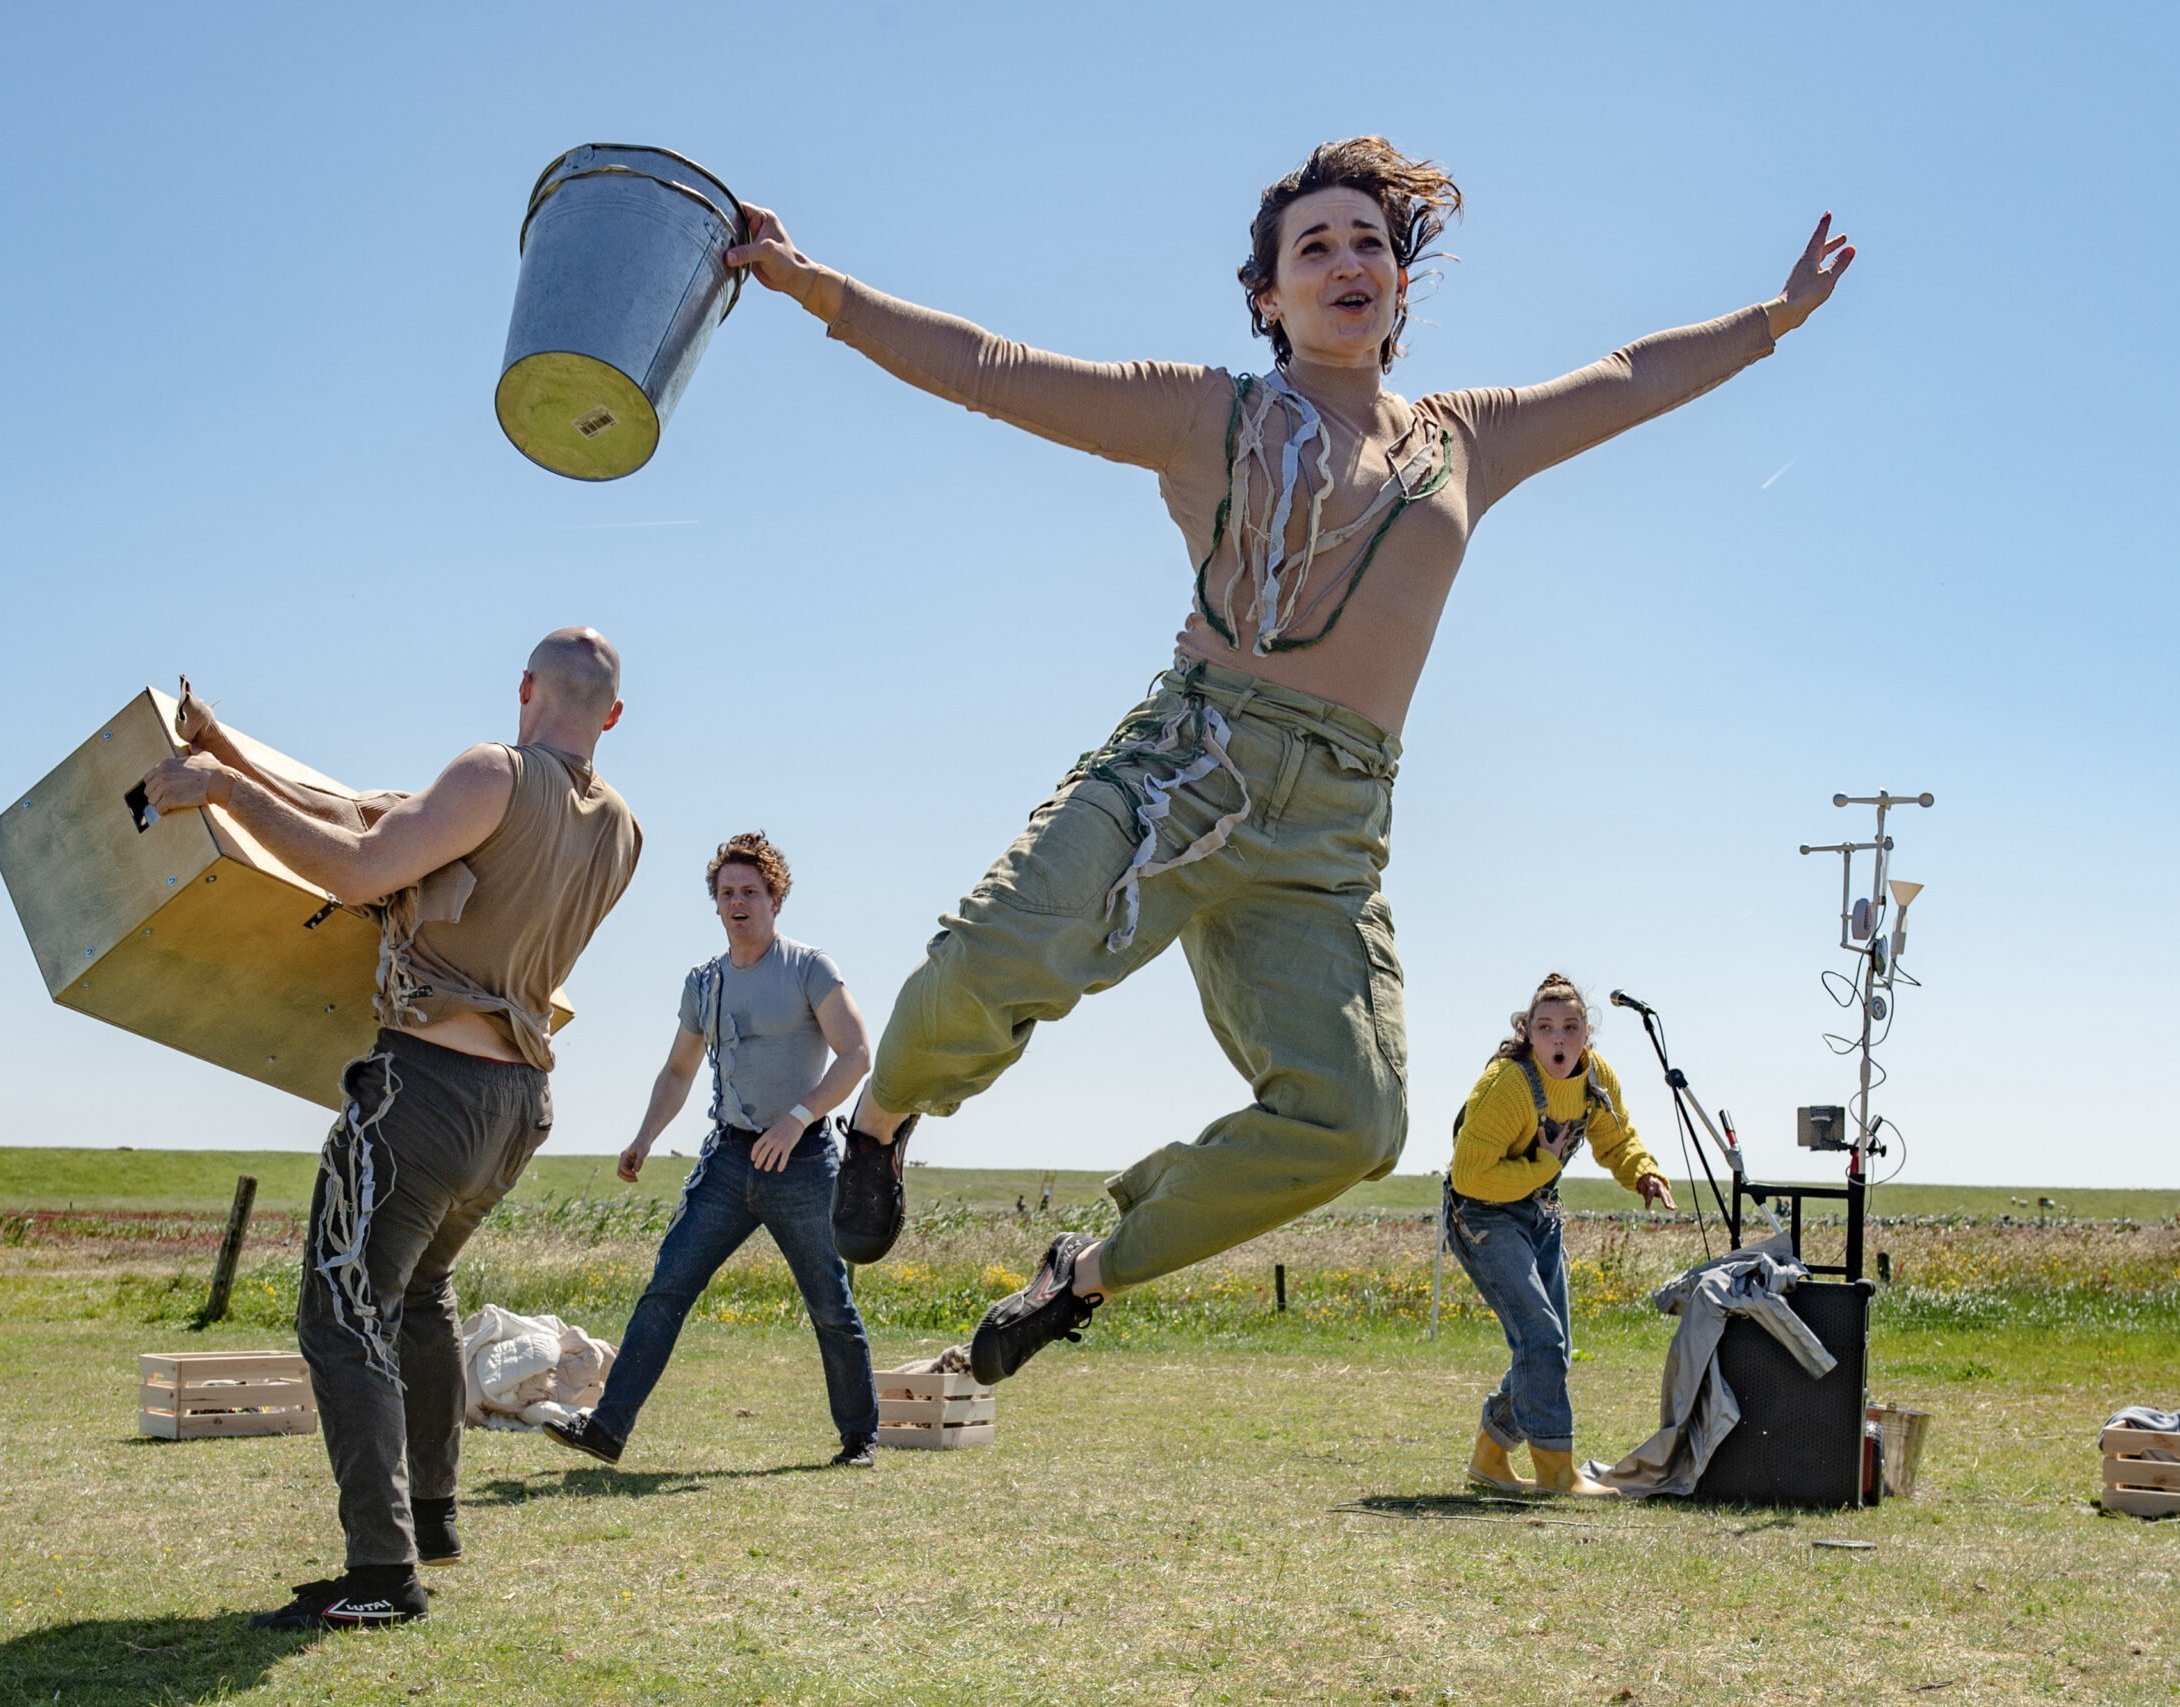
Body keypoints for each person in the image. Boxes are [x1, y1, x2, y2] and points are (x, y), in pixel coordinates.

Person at [720, 137, 1851, 1385]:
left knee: (1357, 1121)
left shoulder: (1467, 440)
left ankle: (1082, 1274)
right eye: (1312, 247)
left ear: (1403, 286)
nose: (1346, 261)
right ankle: (883, 1123)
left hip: (1330, 831)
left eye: (1369, 241)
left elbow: (1630, 375)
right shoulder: (1211, 414)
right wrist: (810, 282)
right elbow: (990, 368)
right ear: (1268, 297)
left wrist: (1777, 319)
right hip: (1185, 771)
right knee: (986, 959)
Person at [137, 629, 642, 1628]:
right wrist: (231, 753)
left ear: (526, 688)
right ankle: (432, 1517)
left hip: (423, 1091)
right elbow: (388, 823)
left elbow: (364, 868)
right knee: (419, 1294)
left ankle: (380, 1575)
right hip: (518, 1107)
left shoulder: (492, 770)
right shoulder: (621, 827)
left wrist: (223, 795)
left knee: (341, 1311)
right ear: (612, 716)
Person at [545, 833, 878, 1468]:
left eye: (750, 891)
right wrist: (644, 1136)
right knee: (666, 1289)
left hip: (802, 1161)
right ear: (716, 904)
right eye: (726, 893)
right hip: (728, 1162)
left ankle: (859, 1438)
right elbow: (678, 1071)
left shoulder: (811, 968)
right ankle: (608, 1429)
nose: (738, 903)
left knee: (829, 1301)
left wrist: (798, 1119)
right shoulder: (704, 984)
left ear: (775, 898)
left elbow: (857, 1054)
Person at [1447, 973, 1672, 1498]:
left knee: (1553, 1347)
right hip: (1481, 1215)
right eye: (1546, 1028)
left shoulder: (1595, 1078)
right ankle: (1555, 1474)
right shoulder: (1506, 1086)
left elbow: (1617, 1140)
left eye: (1571, 1027)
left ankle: (1490, 1456)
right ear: (1528, 1033)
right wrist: (1543, 1164)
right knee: (1541, 1340)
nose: (1559, 1039)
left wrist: (1642, 1172)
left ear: (1586, 1034)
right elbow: (1470, 1174)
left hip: (1537, 1212)